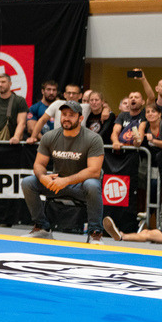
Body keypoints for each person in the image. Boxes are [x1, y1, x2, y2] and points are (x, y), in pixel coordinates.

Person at [21, 101, 105, 243]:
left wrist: (65, 180)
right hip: (56, 184)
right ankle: (42, 228)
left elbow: (94, 171)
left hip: (81, 186)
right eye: (64, 114)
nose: (66, 118)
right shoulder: (50, 136)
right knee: (28, 182)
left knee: (92, 184)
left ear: (80, 118)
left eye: (71, 115)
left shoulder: (93, 138)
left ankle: (95, 233)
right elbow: (39, 164)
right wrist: (43, 177)